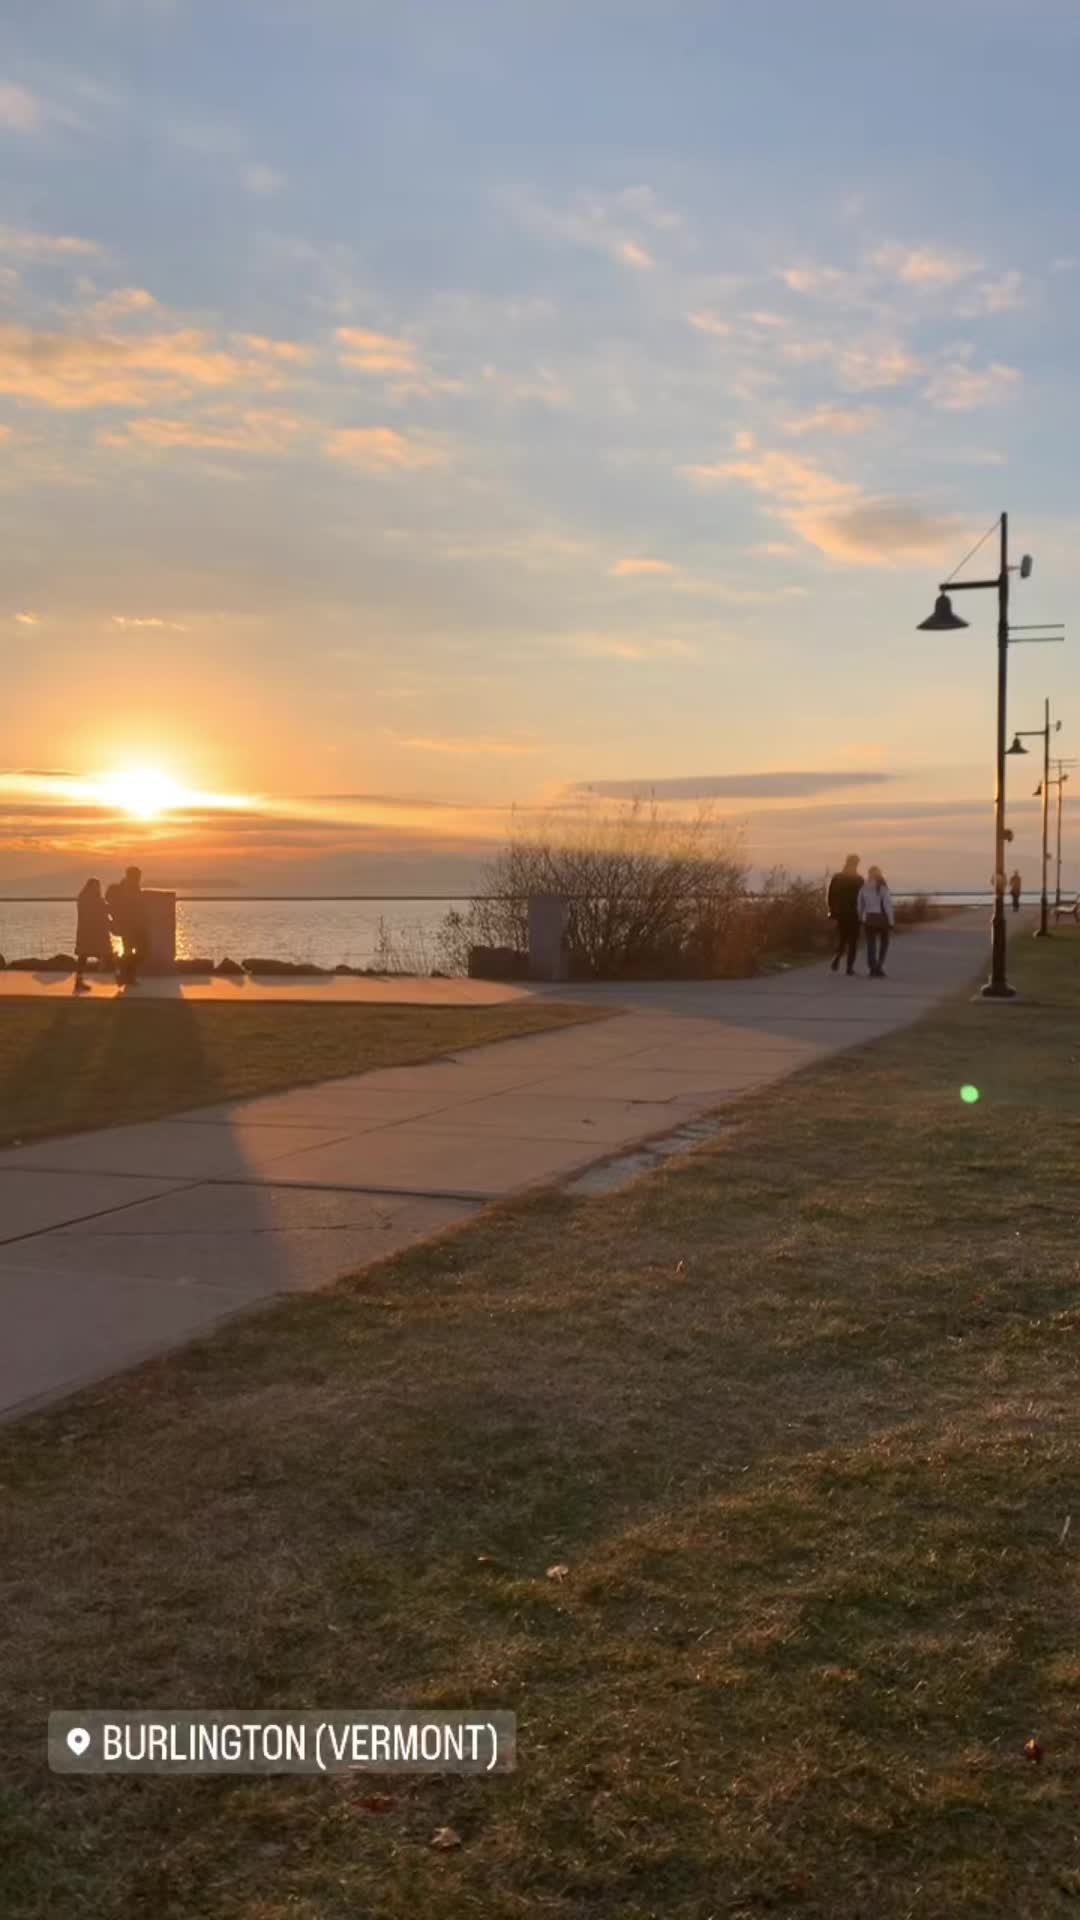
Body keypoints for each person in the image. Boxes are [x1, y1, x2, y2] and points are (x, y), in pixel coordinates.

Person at [106, 865, 148, 987]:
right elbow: (125, 908)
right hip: (128, 927)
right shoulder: (124, 889)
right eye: (137, 876)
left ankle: (124, 973)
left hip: (137, 926)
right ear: (131, 875)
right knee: (133, 951)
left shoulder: (134, 888)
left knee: (142, 951)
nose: (139, 878)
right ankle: (127, 975)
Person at [73, 878, 114, 992]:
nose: (98, 889)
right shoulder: (94, 900)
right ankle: (119, 975)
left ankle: (79, 981)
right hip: (93, 933)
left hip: (86, 933)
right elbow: (103, 911)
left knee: (84, 956)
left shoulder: (82, 899)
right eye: (96, 887)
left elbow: (101, 911)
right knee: (105, 953)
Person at [826, 853, 863, 976]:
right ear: (856, 864)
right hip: (854, 913)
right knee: (853, 941)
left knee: (842, 938)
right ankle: (849, 967)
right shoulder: (859, 879)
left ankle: (837, 957)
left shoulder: (837, 877)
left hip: (841, 913)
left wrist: (832, 909)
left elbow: (830, 895)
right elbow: (862, 898)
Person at [858, 864, 895, 978]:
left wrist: (861, 918)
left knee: (871, 944)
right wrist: (891, 922)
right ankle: (879, 966)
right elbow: (887, 905)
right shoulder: (882, 887)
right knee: (884, 943)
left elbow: (860, 905)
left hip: (869, 918)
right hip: (881, 918)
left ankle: (872, 967)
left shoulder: (864, 887)